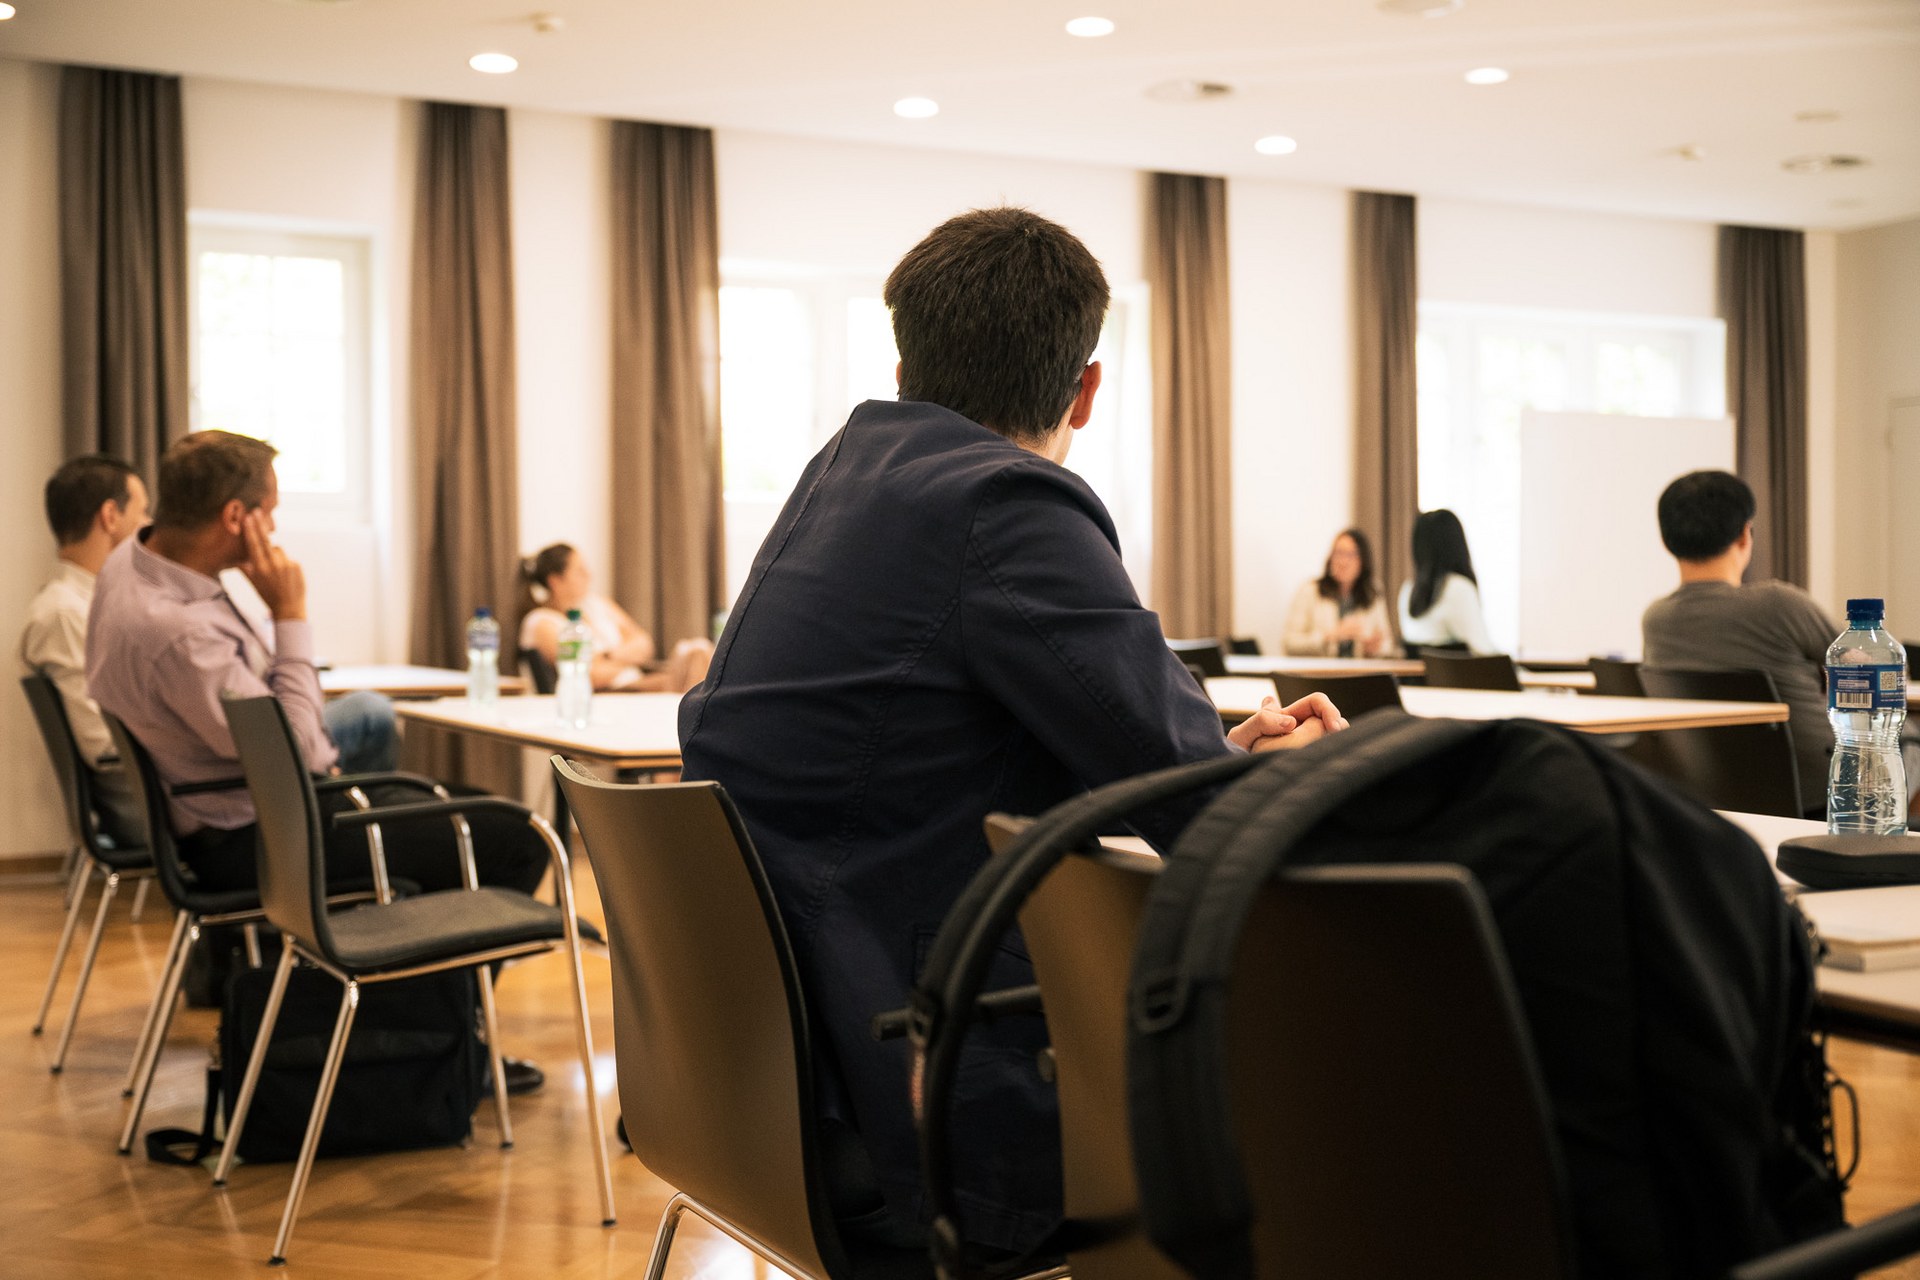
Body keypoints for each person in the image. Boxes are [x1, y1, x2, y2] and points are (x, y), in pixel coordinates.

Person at [679, 207, 1346, 1257]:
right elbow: (1205, 819)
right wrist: (1301, 772)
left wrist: (1213, 760)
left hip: (768, 1081)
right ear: (1085, 389)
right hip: (934, 1094)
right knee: (1338, 1101)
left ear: (904, 364)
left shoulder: (840, 477)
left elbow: (963, 749)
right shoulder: (1006, 503)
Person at [87, 431, 549, 1083]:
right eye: (270, 511)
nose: (275, 529)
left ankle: (428, 1035)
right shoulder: (178, 633)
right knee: (515, 837)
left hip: (236, 809)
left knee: (460, 813)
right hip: (260, 836)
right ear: (237, 517)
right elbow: (302, 751)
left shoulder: (130, 566)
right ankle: (439, 1050)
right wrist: (290, 614)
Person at [1641, 470, 1840, 815]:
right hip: (1818, 792)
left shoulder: (1656, 619)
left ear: (1666, 540)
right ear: (1745, 535)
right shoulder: (1778, 604)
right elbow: (1872, 661)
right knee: (1908, 737)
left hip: (1715, 796)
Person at [18, 455, 150, 847]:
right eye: (142, 513)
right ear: (110, 517)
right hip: (146, 806)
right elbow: (102, 744)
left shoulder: (86, 605)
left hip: (152, 792)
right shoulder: (67, 614)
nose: (149, 526)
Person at [516, 543, 712, 692]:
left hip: (636, 681)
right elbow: (588, 674)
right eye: (580, 571)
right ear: (555, 581)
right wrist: (629, 657)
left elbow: (644, 643)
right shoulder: (542, 622)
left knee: (698, 652)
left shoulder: (597, 605)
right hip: (610, 693)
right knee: (696, 673)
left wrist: (608, 657)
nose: (589, 576)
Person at [1282, 527, 1396, 658]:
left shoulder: (1372, 593)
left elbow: (1387, 643)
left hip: (1360, 669)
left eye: (1351, 555)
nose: (1343, 561)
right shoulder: (1310, 591)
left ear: (1363, 560)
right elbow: (1289, 643)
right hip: (1322, 669)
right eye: (1339, 553)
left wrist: (1373, 648)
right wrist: (1329, 636)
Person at [1397, 508, 1497, 656]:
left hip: (1417, 672)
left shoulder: (1408, 590)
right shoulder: (1457, 588)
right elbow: (1482, 650)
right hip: (1456, 671)